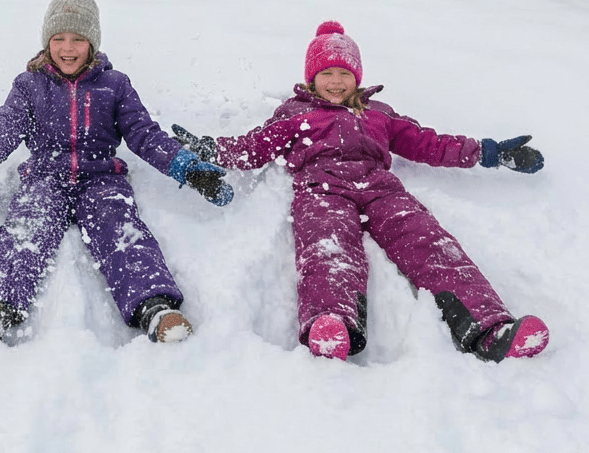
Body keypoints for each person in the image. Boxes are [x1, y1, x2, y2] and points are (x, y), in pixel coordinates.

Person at [173, 20, 549, 363]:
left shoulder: (378, 112)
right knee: (327, 250)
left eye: (344, 73)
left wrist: (489, 152)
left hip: (381, 188)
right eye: (326, 73)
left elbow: (429, 143)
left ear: (357, 77)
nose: (336, 81)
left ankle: (489, 327)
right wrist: (211, 150)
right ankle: (331, 322)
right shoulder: (295, 114)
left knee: (431, 243)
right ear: (311, 78)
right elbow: (256, 146)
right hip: (322, 191)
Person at [0, 0, 232, 345]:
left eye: (78, 39)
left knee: (121, 228)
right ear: (46, 41)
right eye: (59, 38)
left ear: (92, 43)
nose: (68, 48)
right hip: (44, 177)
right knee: (26, 228)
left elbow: (145, 135)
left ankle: (156, 307)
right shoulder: (29, 85)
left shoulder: (115, 84)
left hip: (101, 178)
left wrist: (189, 168)